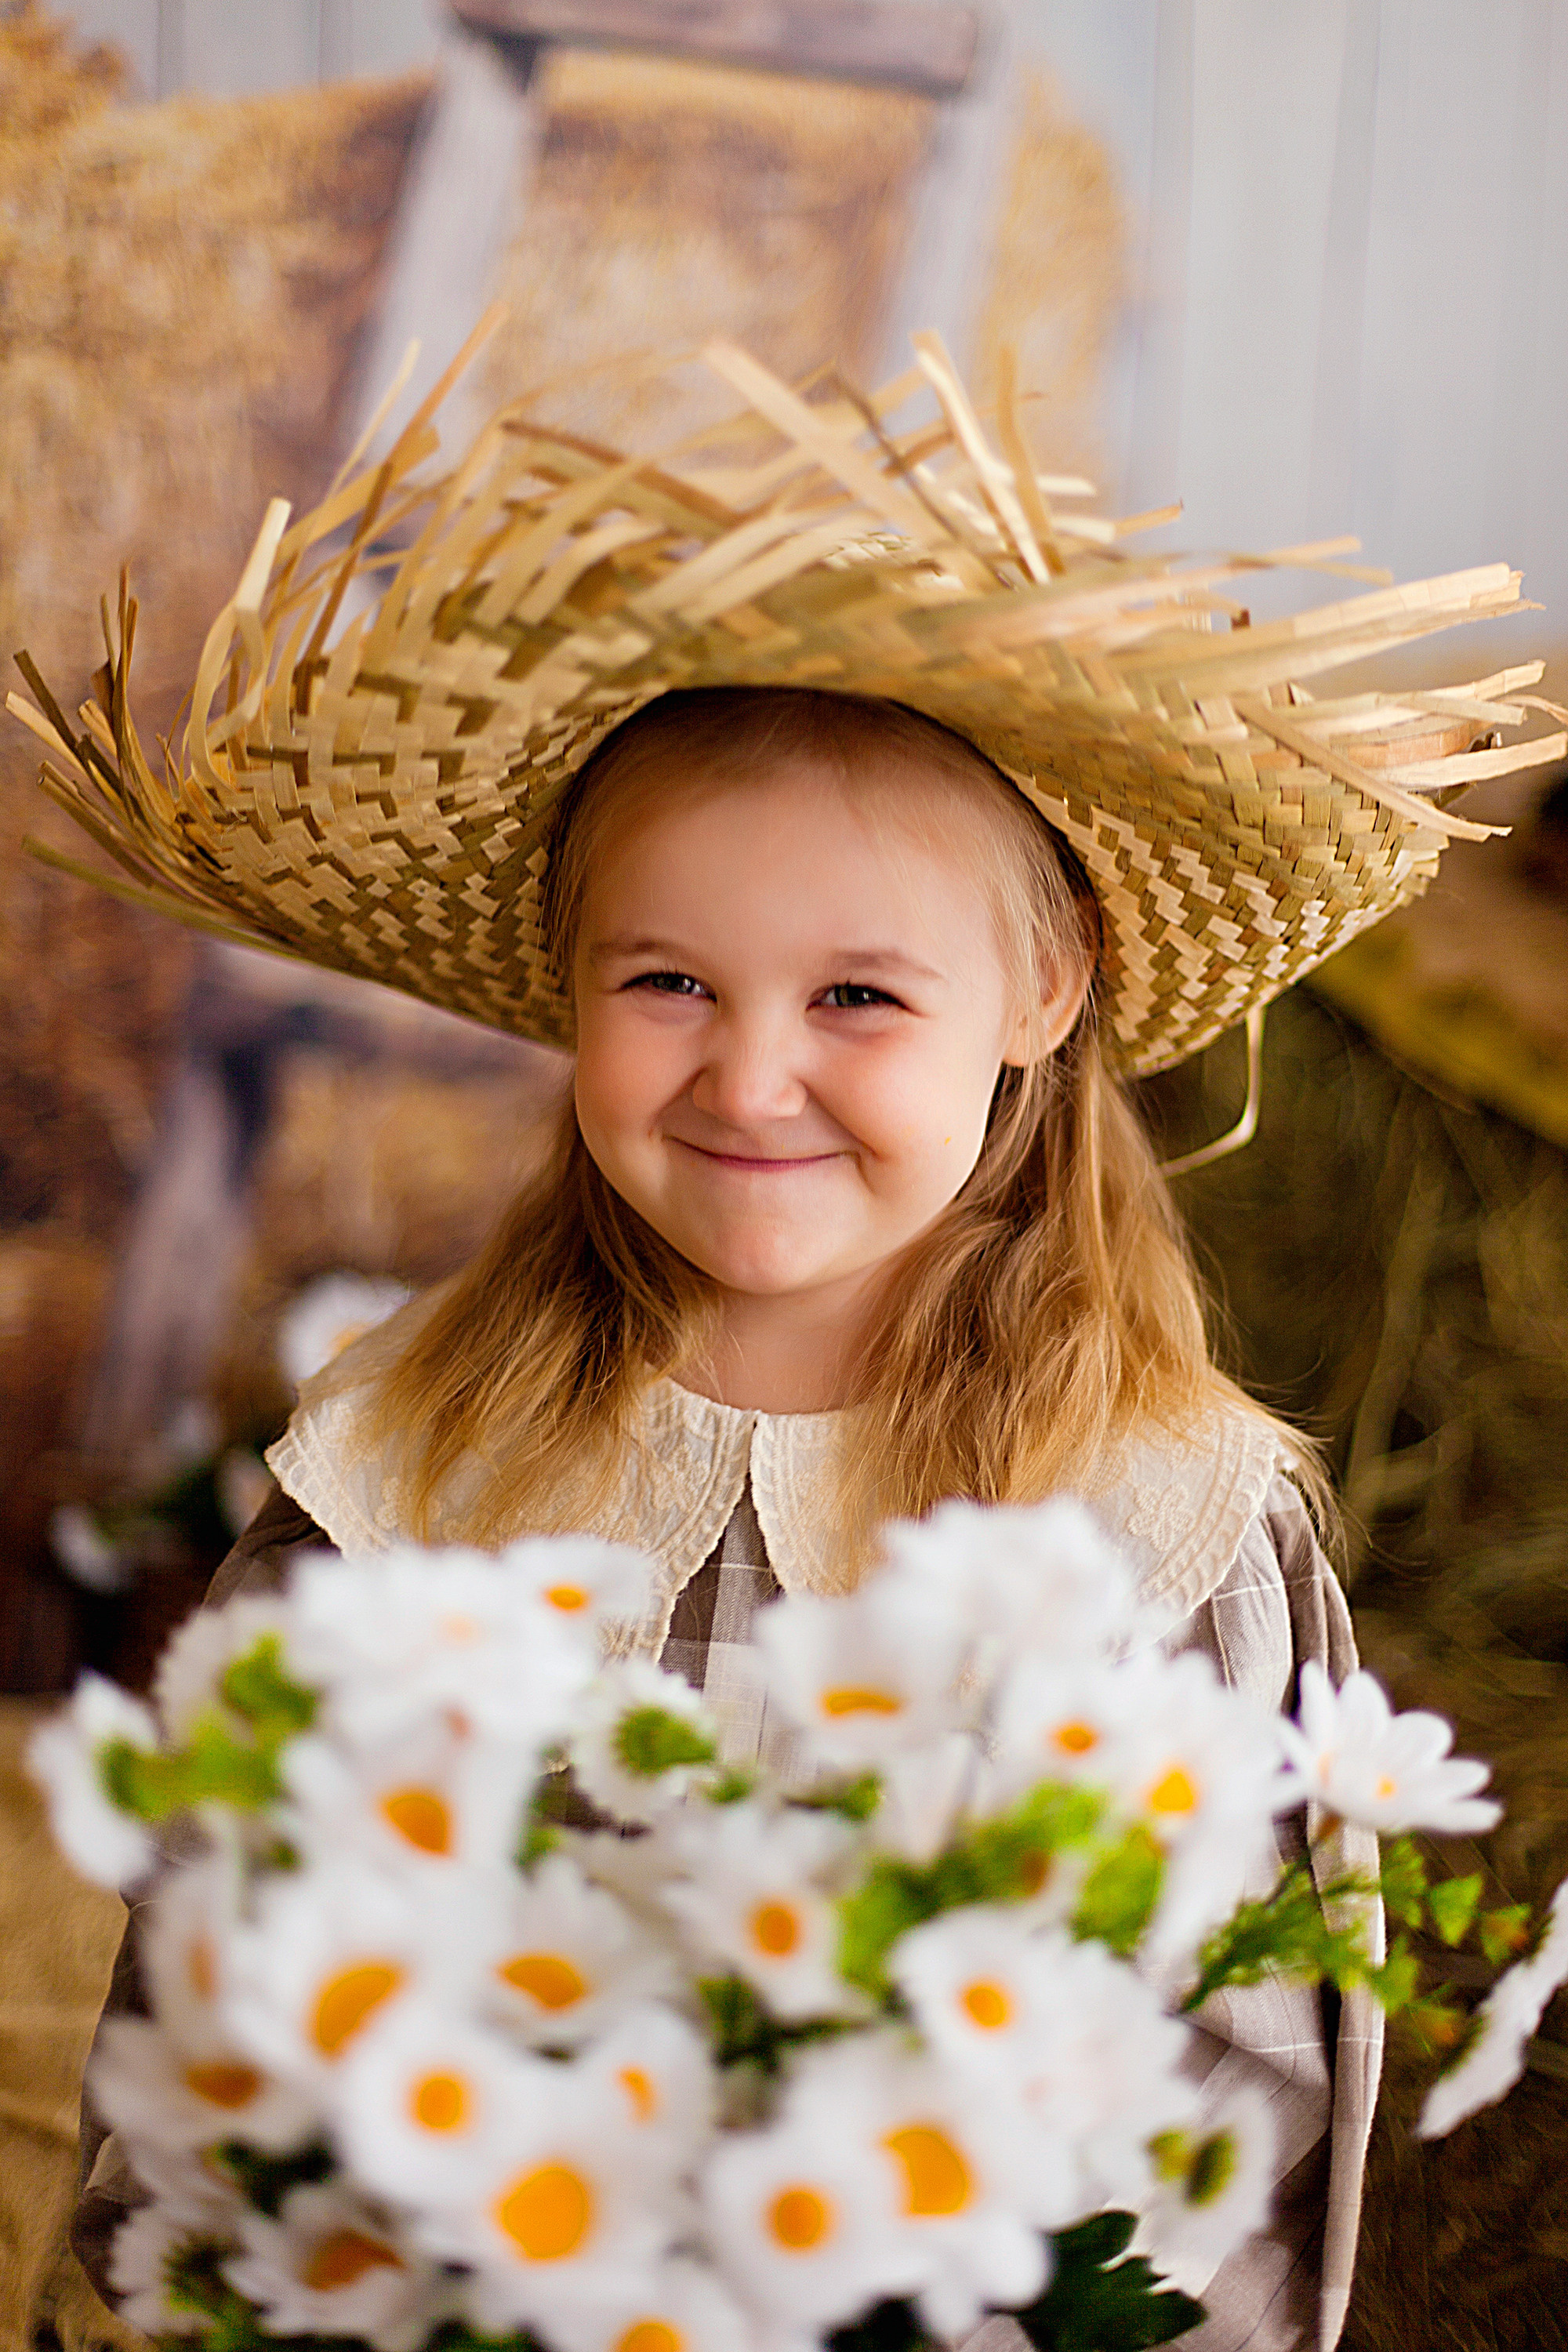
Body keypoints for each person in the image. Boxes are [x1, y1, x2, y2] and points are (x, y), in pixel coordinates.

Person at [36, 340, 1537, 2350]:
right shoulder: (404, 1479)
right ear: (572, 989)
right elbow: (215, 2000)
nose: (751, 1076)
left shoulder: (1165, 1526)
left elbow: (1227, 2123)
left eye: (855, 995)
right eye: (669, 979)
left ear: (1041, 988)